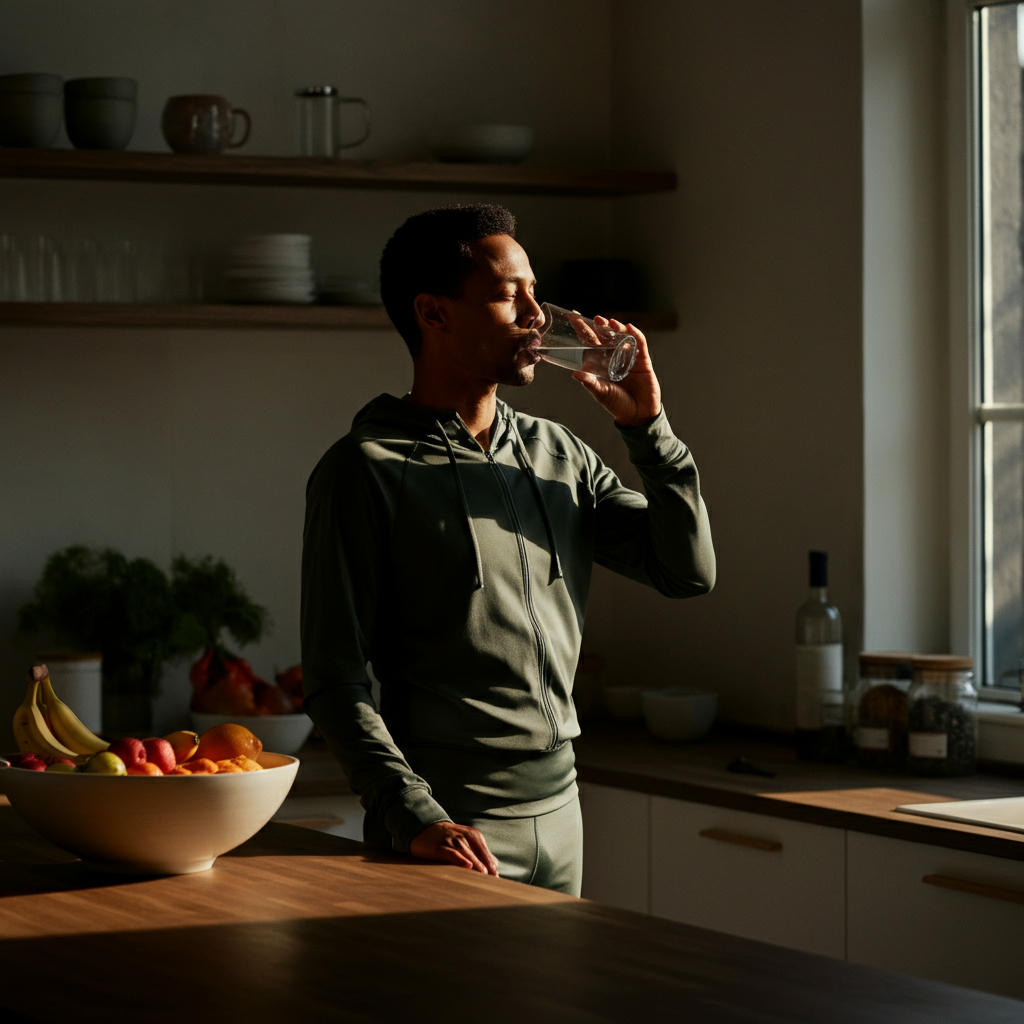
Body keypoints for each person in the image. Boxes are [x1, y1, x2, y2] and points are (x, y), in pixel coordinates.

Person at [301, 204, 715, 896]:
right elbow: (334, 678)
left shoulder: (559, 453)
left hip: (564, 813)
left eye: (534, 291)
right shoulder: (364, 469)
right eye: (506, 295)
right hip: (450, 827)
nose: (536, 315)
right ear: (432, 314)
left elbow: (685, 571)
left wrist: (650, 431)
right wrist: (411, 813)